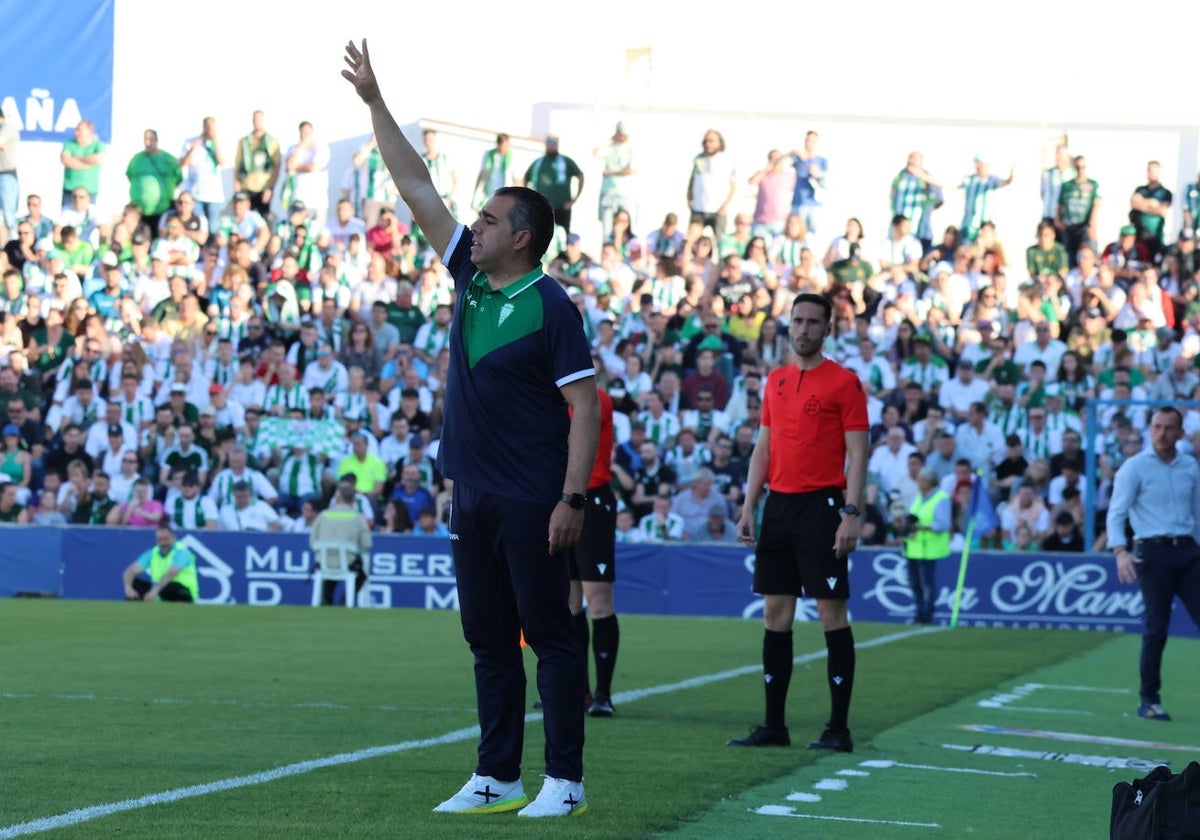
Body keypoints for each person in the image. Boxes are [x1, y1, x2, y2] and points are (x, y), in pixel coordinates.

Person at [344, 39, 600, 818]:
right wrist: (376, 106)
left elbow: (584, 408)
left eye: (488, 219)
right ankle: (498, 776)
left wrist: (572, 499)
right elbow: (414, 182)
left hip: (532, 498)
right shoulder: (471, 280)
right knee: (488, 641)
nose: (474, 227)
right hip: (475, 493)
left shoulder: (553, 307)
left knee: (550, 638)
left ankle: (566, 782)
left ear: (521, 237)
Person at [728, 292, 868, 752]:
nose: (803, 329)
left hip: (823, 507)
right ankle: (774, 726)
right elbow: (763, 448)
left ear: (827, 329)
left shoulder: (844, 383)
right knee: (775, 614)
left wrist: (851, 511)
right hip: (780, 506)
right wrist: (750, 506)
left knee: (831, 614)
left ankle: (839, 728)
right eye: (798, 320)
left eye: (813, 322)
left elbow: (858, 453)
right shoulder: (776, 381)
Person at [1106, 407, 1200, 722]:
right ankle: (1149, 700)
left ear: (1180, 433)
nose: (1161, 433)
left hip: (1189, 551)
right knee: (1156, 629)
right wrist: (1120, 550)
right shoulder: (1134, 467)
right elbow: (1116, 512)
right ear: (1149, 429)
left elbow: (1198, 513)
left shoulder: (1190, 466)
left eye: (1169, 428)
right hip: (1153, 552)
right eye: (1157, 427)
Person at [563, 387, 620, 718]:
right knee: (569, 604)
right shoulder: (550, 396)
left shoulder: (595, 397)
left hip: (592, 499)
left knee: (598, 601)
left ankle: (603, 693)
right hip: (559, 500)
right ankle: (577, 689)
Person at [310, 477, 373, 606]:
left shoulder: (323, 516)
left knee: (328, 574)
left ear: (337, 498)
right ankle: (345, 601)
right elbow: (367, 544)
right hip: (348, 562)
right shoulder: (358, 518)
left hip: (324, 562)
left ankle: (327, 601)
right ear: (354, 499)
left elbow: (313, 542)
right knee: (361, 573)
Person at [904, 468, 951, 625]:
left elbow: (943, 524)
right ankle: (919, 613)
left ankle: (927, 615)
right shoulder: (919, 498)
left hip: (929, 550)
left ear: (928, 481)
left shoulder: (941, 498)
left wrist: (921, 527)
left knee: (927, 585)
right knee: (915, 584)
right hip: (914, 549)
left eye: (921, 479)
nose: (918, 482)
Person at [522, 134, 584, 234]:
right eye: (549, 143)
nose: (551, 146)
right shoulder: (538, 162)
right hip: (542, 208)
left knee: (562, 236)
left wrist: (574, 199)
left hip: (561, 208)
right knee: (540, 236)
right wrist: (528, 199)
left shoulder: (566, 161)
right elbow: (526, 178)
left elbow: (580, 176)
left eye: (554, 143)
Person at [121, 524, 198, 602]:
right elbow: (130, 571)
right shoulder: (153, 553)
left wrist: (155, 590)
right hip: (161, 589)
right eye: (160, 539)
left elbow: (172, 573)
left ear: (173, 537)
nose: (163, 542)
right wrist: (128, 588)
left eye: (166, 539)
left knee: (172, 586)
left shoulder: (182, 552)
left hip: (183, 591)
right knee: (134, 584)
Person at [234, 110, 281, 219]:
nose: (257, 122)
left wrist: (270, 188)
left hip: (263, 187)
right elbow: (237, 164)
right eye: (255, 119)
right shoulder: (244, 141)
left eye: (259, 119)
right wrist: (236, 184)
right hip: (246, 186)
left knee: (263, 218)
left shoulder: (272, 141)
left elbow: (276, 166)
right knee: (245, 218)